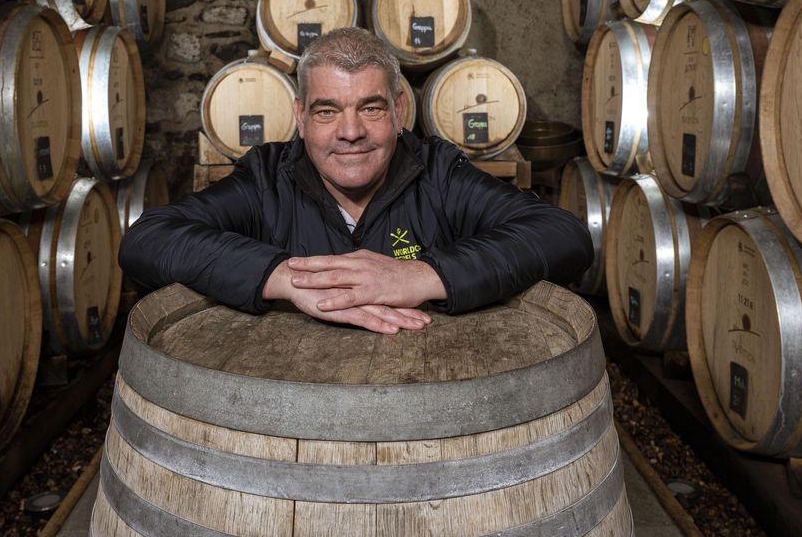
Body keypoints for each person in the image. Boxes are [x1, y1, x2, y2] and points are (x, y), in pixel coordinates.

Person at [119, 27, 594, 334]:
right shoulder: (268, 179)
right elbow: (146, 241)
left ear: (399, 111)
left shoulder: (437, 173)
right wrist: (282, 276)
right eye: (328, 111)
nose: (350, 132)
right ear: (301, 118)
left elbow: (564, 236)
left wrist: (423, 274)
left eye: (371, 107)